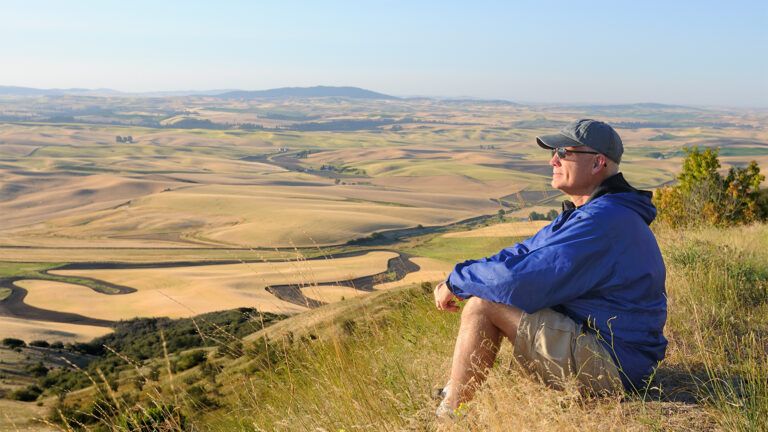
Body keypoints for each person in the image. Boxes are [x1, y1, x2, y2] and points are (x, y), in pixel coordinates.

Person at [434, 119, 667, 417]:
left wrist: (457, 281)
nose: (552, 159)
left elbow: (518, 282)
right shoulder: (593, 212)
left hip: (615, 367)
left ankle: (449, 415)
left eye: (563, 152)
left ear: (598, 163)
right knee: (488, 296)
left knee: (484, 305)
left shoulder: (602, 221)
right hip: (617, 356)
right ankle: (451, 397)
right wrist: (460, 275)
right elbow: (523, 252)